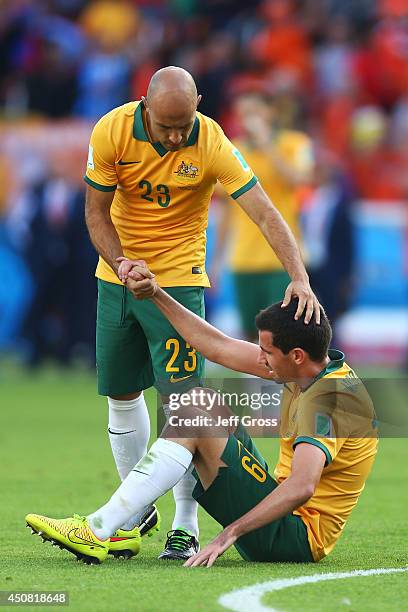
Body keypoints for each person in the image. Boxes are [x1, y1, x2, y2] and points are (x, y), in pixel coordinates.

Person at [83, 65, 319, 560]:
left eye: (182, 124)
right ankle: (129, 519)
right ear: (144, 107)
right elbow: (96, 213)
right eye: (165, 125)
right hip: (118, 277)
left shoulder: (210, 140)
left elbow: (264, 210)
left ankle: (184, 525)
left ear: (199, 106)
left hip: (180, 281)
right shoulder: (110, 131)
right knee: (122, 395)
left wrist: (299, 275)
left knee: (184, 405)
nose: (174, 135)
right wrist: (121, 262)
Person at [26, 268, 377, 567]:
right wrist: (156, 294)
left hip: (294, 537)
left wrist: (230, 532)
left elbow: (303, 486)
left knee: (195, 414)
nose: (262, 360)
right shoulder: (310, 369)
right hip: (280, 520)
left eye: (267, 352)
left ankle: (100, 528)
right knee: (198, 399)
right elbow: (216, 345)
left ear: (297, 355)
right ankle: (127, 526)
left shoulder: (328, 401)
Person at [211, 91, 314, 340]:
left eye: (254, 112)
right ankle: (255, 380)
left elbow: (300, 179)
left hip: (282, 258)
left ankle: (279, 380)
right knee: (249, 331)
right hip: (244, 258)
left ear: (271, 112)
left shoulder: (294, 143)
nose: (248, 119)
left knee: (280, 333)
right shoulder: (233, 149)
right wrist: (216, 260)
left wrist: (267, 144)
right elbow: (226, 208)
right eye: (243, 114)